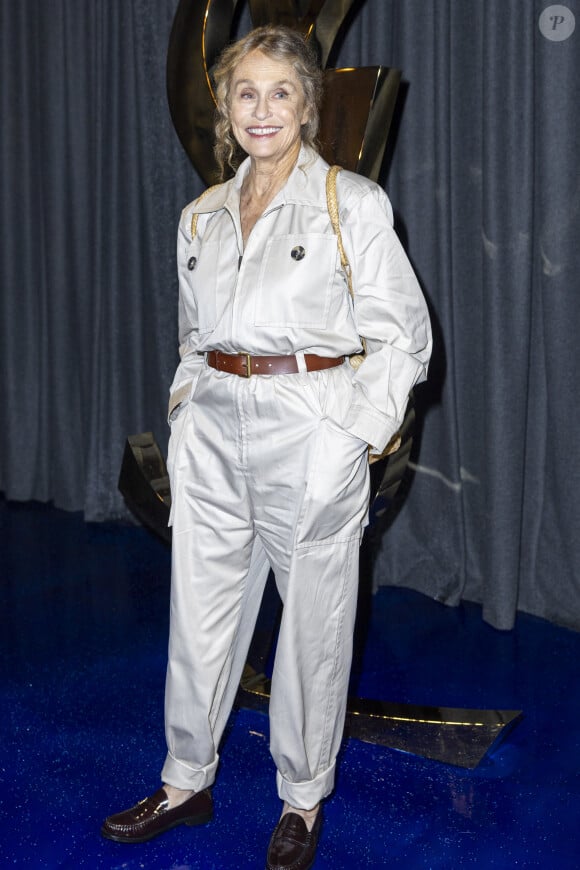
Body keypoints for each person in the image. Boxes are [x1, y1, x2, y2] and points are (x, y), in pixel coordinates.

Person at [101, 24, 432, 870]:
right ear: (226, 105)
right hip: (212, 430)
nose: (262, 109)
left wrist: (349, 436)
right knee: (199, 621)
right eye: (245, 91)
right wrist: (185, 413)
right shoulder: (202, 216)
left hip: (309, 429)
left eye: (280, 92)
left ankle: (302, 799)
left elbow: (404, 339)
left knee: (313, 631)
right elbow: (191, 338)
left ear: (308, 106)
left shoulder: (348, 202)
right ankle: (185, 782)